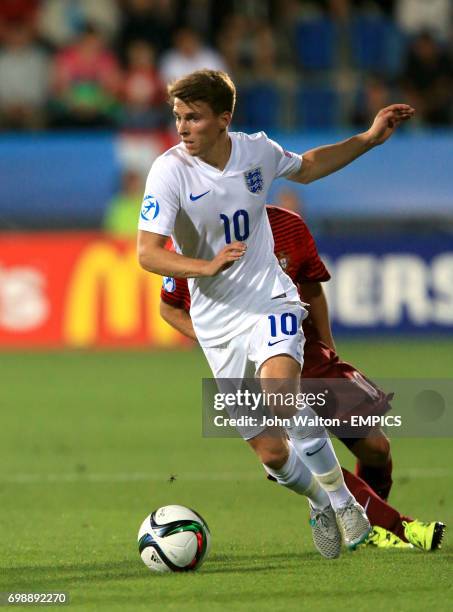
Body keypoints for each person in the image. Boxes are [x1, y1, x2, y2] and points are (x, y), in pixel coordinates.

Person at [137, 69, 415, 559]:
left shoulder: (256, 152)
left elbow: (307, 165)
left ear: (224, 120)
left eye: (193, 117)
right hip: (216, 321)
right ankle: (320, 501)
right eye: (177, 117)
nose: (182, 127)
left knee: (283, 394)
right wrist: (206, 266)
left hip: (270, 300)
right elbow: (148, 253)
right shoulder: (169, 171)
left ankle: (345, 502)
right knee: (273, 453)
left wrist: (369, 139)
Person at [159, 205, 446, 552]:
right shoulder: (196, 238)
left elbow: (311, 290)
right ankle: (393, 527)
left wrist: (328, 349)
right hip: (254, 366)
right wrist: (213, 340)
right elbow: (169, 306)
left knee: (376, 448)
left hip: (305, 350)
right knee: (296, 450)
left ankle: (369, 523)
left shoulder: (288, 225)